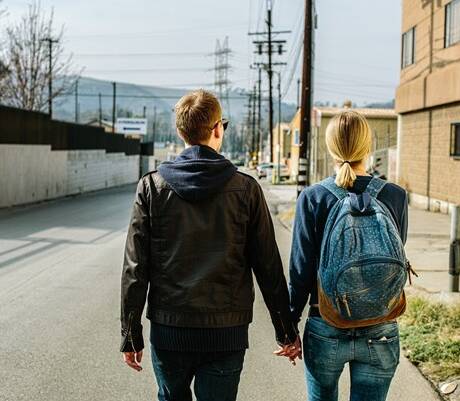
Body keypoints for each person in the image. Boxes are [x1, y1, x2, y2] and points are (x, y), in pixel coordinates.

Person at [120, 89, 299, 401]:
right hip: (225, 334)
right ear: (218, 129)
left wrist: (131, 335)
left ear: (180, 132)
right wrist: (285, 330)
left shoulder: (151, 187)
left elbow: (136, 269)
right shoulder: (246, 190)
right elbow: (268, 266)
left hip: (169, 330)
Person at [288, 110, 409, 401]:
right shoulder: (395, 195)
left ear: (331, 148)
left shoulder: (313, 197)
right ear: (368, 147)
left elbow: (301, 272)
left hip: (325, 322)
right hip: (380, 326)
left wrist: (289, 326)